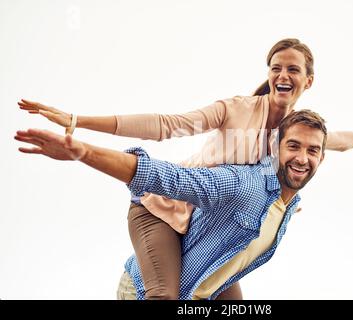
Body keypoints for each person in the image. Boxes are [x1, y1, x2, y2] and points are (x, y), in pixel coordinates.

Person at [18, 38, 353, 299]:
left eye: (293, 69)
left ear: (307, 80)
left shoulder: (293, 133)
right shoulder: (236, 108)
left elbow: (337, 140)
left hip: (202, 224)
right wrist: (78, 120)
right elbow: (165, 124)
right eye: (276, 67)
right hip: (160, 208)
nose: (283, 74)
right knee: (165, 295)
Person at [16, 109, 327, 300]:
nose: (302, 158)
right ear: (275, 148)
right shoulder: (244, 184)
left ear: (322, 157)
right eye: (293, 146)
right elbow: (170, 178)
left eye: (313, 150)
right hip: (143, 292)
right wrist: (83, 152)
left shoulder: (287, 207)